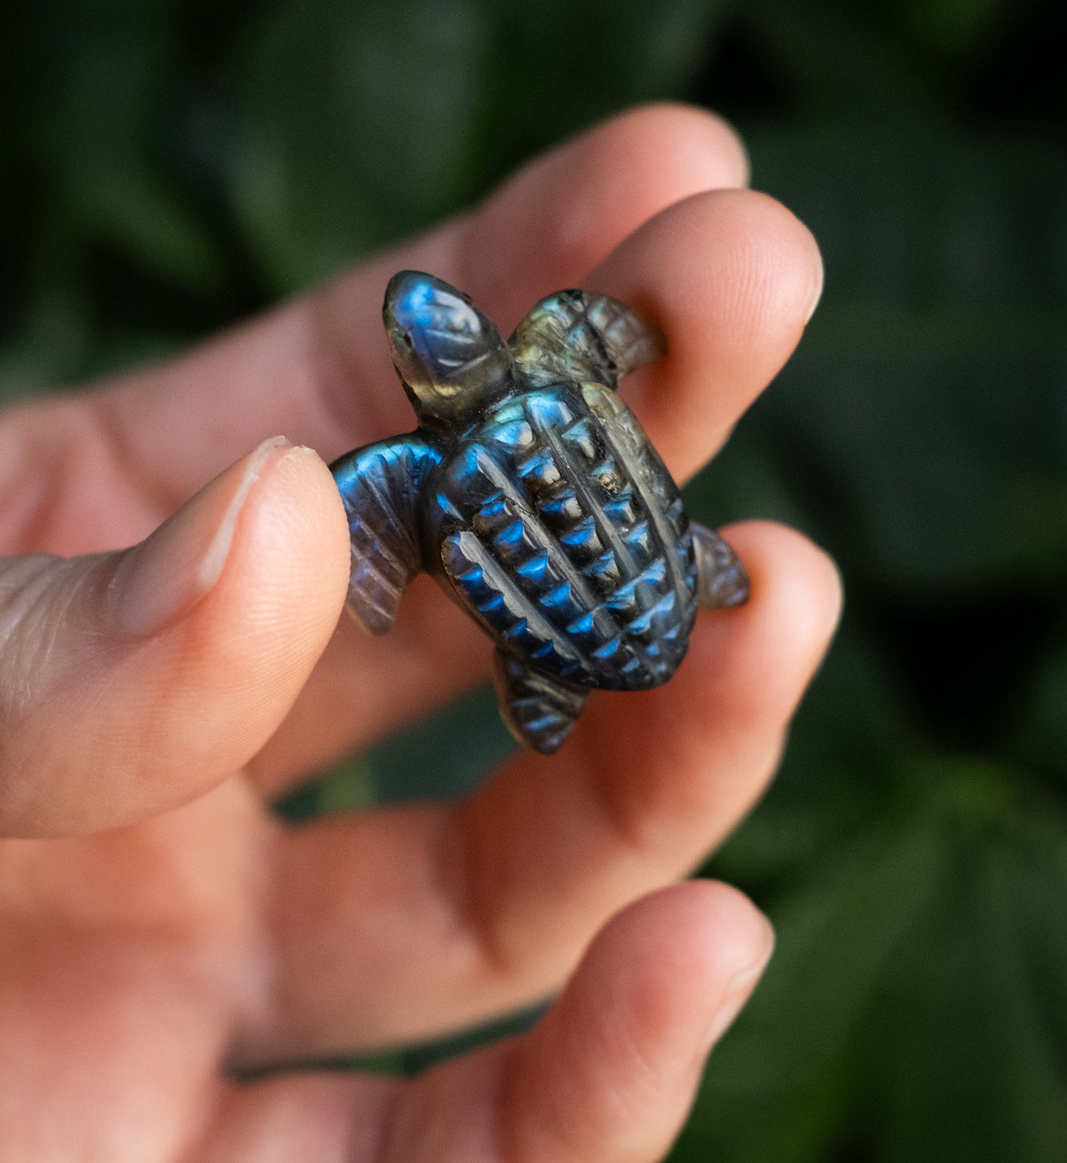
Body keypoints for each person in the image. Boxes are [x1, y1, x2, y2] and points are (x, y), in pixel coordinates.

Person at [0, 105, 841, 1162]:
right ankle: (669, 592)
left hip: (577, 609)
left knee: (454, 573)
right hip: (669, 559)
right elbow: (609, 330)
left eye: (412, 337)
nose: (411, 332)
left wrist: (360, 567)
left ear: (419, 374)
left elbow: (376, 527)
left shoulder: (406, 473)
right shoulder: (541, 360)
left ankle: (551, 684)